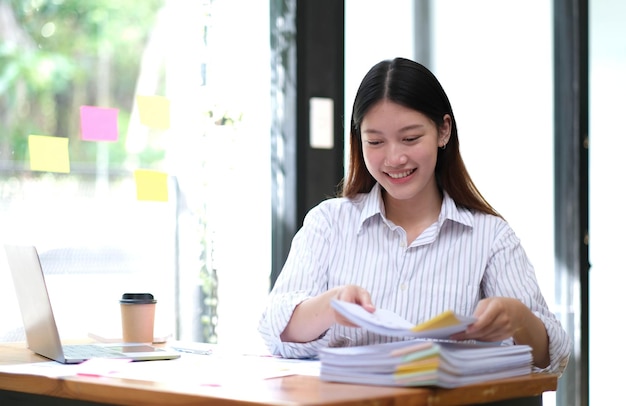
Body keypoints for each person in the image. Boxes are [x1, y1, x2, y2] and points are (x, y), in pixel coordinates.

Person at [258, 57, 570, 374]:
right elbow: (274, 330)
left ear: (443, 131)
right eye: (375, 141)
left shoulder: (490, 237)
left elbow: (553, 358)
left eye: (410, 138)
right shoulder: (328, 223)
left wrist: (517, 318)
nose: (395, 158)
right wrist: (330, 306)